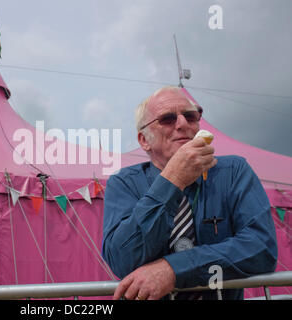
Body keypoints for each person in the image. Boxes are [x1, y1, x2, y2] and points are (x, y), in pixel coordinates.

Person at [102, 86, 277, 300]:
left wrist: (174, 270)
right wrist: (172, 180)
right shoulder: (124, 183)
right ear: (144, 140)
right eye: (167, 118)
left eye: (190, 116)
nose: (182, 124)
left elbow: (261, 248)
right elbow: (123, 261)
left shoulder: (233, 172)